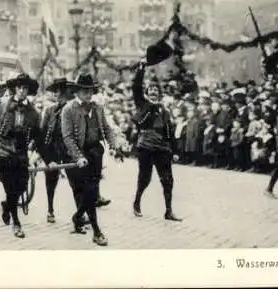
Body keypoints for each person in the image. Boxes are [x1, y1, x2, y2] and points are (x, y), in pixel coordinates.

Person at [0, 73, 43, 238]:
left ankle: (7, 205)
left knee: (21, 186)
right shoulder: (2, 103)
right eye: (19, 87)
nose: (22, 91)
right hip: (2, 150)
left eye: (25, 88)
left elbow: (37, 133)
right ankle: (16, 223)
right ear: (14, 88)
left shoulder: (33, 111)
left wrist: (36, 149)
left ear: (28, 90)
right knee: (10, 186)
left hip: (21, 152)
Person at [61, 73, 122, 246]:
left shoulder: (97, 108)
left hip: (95, 153)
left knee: (92, 191)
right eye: (85, 91)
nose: (89, 94)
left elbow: (107, 128)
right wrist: (78, 157)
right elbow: (68, 137)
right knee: (88, 191)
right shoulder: (68, 109)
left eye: (91, 91)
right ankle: (96, 232)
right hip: (77, 155)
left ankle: (78, 216)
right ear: (77, 92)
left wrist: (114, 145)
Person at [131, 60, 182, 221]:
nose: (153, 92)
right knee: (144, 178)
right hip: (145, 146)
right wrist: (141, 70)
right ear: (147, 92)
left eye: (156, 90)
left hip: (162, 148)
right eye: (150, 90)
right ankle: (137, 202)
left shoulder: (165, 111)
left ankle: (168, 211)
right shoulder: (142, 104)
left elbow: (170, 132)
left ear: (159, 94)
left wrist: (174, 150)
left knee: (168, 180)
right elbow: (136, 87)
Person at [39, 77, 74, 223]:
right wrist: (46, 156)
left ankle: (80, 212)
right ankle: (50, 209)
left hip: (69, 148)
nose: (57, 94)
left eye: (60, 91)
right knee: (51, 180)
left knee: (75, 181)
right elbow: (42, 132)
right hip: (53, 148)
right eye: (56, 91)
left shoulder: (73, 109)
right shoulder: (49, 110)